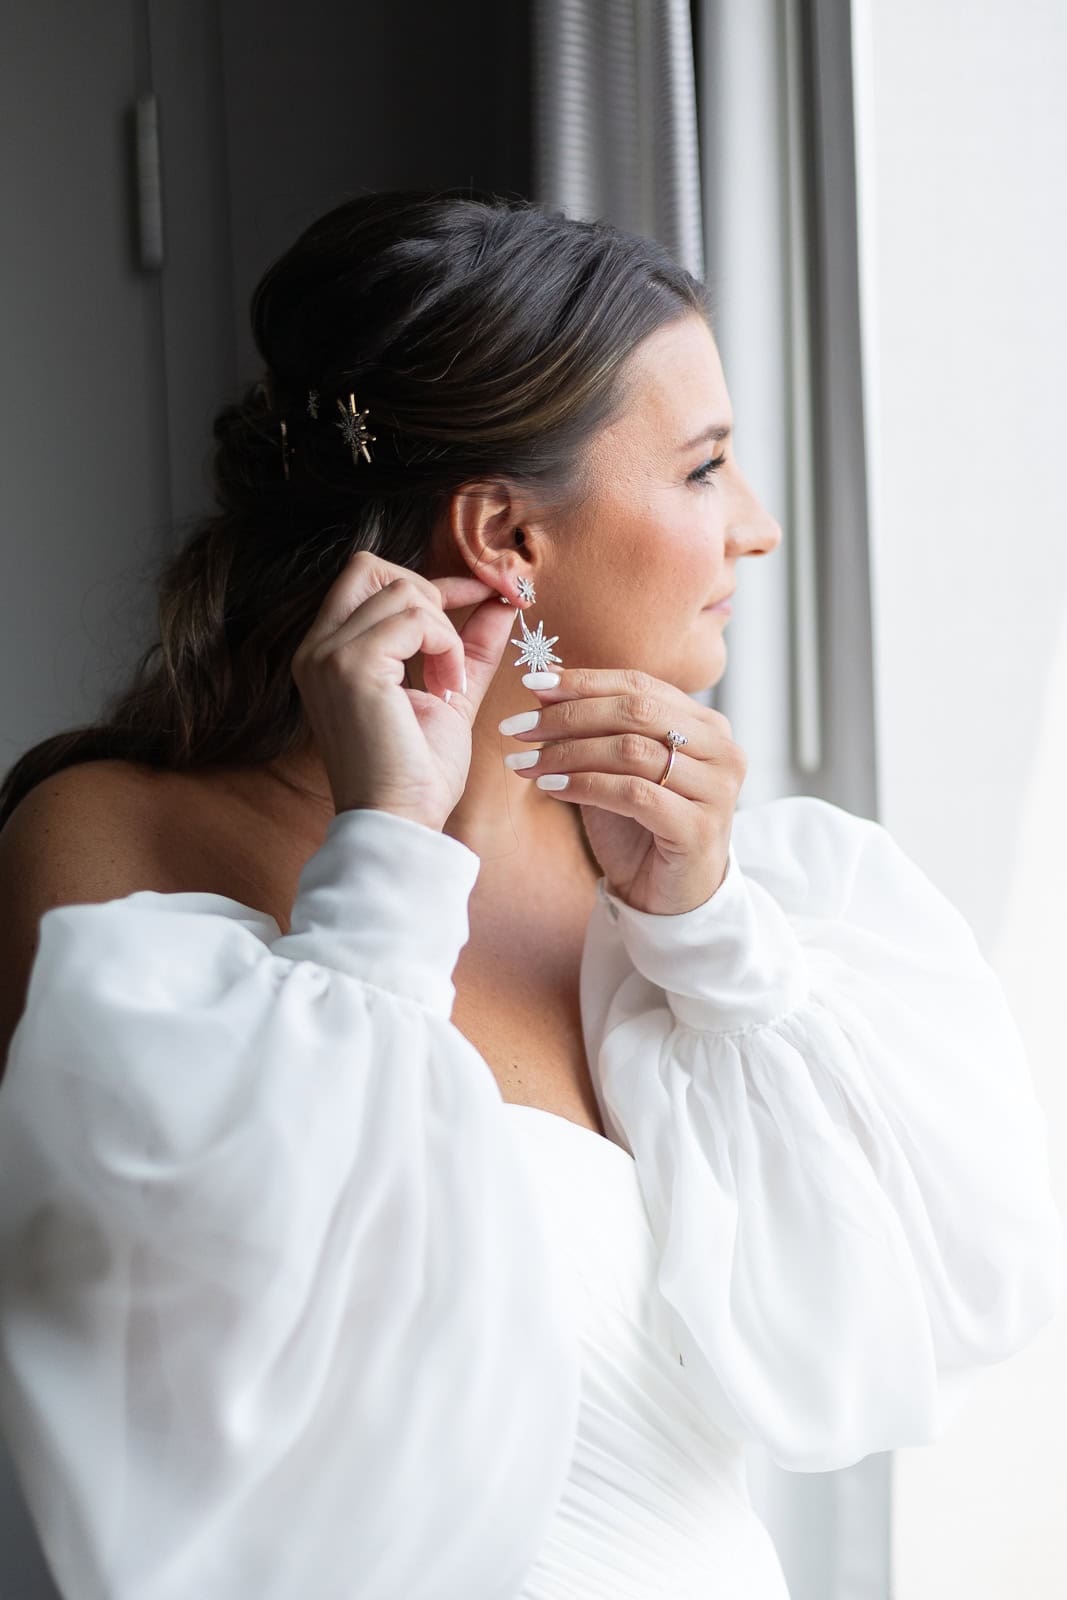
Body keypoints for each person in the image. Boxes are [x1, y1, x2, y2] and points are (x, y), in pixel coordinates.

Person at [0, 188, 1059, 1600]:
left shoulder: (711, 904)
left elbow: (935, 1308)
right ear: (504, 535)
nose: (756, 528)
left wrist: (711, 933)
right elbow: (192, 1407)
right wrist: (384, 862)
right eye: (702, 469)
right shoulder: (115, 846)